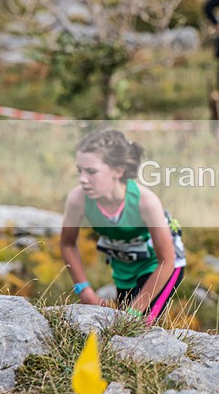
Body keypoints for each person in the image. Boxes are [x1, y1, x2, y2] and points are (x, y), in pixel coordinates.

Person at [60, 129, 187, 323]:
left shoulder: (146, 203)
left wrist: (135, 312)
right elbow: (67, 244)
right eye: (80, 170)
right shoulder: (78, 199)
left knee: (137, 325)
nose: (82, 179)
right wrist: (83, 289)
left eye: (92, 172)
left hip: (162, 266)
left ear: (118, 171)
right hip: (123, 270)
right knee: (120, 325)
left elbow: (166, 261)